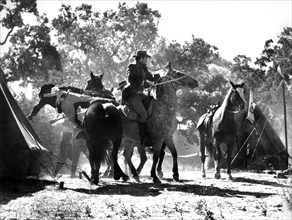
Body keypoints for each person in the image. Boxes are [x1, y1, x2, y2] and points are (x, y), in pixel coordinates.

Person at [122, 50, 160, 145]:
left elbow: (150, 77)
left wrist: (157, 78)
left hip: (140, 95)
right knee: (143, 114)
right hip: (132, 95)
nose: (147, 60)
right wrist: (143, 83)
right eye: (146, 58)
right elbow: (131, 80)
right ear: (141, 58)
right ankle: (143, 139)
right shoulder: (132, 67)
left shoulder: (144, 68)